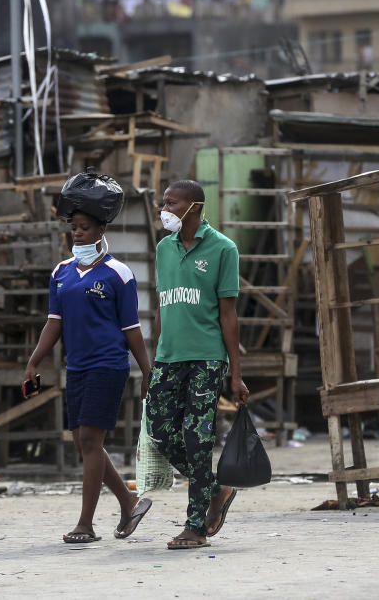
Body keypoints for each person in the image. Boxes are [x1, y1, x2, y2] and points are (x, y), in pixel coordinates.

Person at [24, 171, 153, 544]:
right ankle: (129, 501)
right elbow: (54, 323)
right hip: (76, 368)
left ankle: (86, 523)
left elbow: (131, 328)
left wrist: (146, 370)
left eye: (83, 228)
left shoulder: (118, 274)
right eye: (73, 228)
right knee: (83, 441)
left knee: (91, 442)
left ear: (100, 230)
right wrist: (34, 361)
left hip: (108, 366)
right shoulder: (61, 273)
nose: (76, 233)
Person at [147, 179, 249, 550]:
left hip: (207, 358)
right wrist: (154, 359)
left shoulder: (224, 249)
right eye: (164, 203)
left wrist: (235, 374)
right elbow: (163, 307)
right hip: (168, 358)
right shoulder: (163, 249)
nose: (165, 210)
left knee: (197, 437)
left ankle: (195, 526)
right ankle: (216, 489)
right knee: (159, 431)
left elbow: (229, 315)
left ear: (194, 207)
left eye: (171, 204)